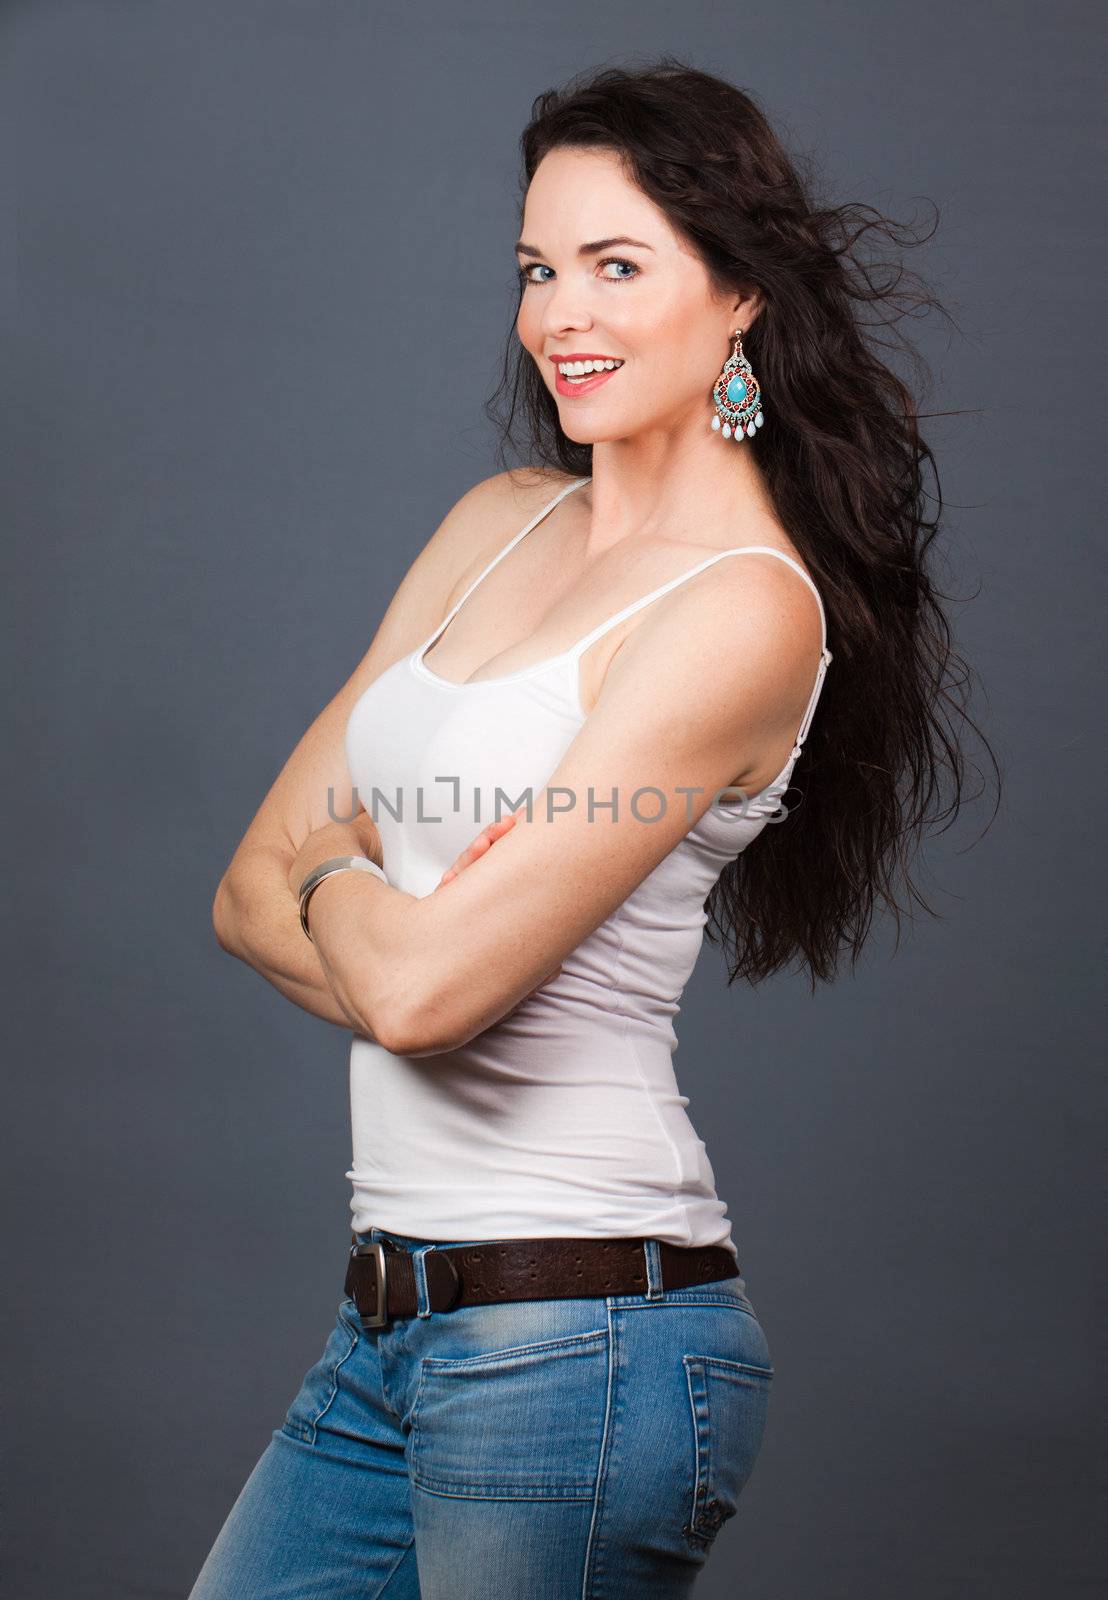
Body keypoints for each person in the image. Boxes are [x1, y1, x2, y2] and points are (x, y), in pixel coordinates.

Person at [191, 57, 995, 1600]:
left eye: (617, 267)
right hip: (385, 1332)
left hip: (586, 1346)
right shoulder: (497, 523)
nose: (561, 313)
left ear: (742, 292)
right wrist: (391, 926)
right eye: (538, 269)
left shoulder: (746, 608)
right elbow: (241, 890)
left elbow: (417, 995)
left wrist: (343, 870)